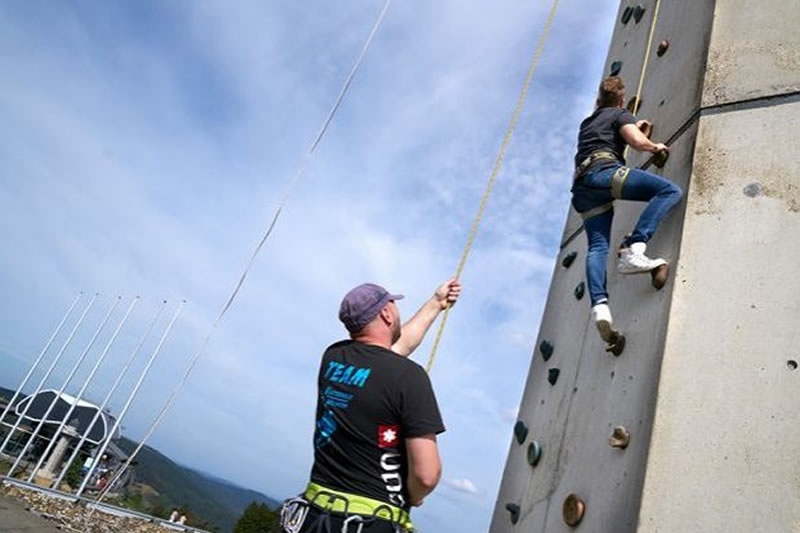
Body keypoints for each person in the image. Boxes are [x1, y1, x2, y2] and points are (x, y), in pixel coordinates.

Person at [281, 279, 462, 533]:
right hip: (367, 524)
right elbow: (426, 475)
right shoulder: (409, 376)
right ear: (387, 313)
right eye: (393, 305)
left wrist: (436, 303)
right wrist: (415, 493)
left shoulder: (333, 357)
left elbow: (390, 354)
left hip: (312, 517)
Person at [571, 76, 683, 343]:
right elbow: (634, 141)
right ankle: (634, 248)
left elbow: (611, 136)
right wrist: (652, 145)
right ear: (621, 100)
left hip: (583, 188)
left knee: (597, 247)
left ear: (598, 101)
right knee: (669, 191)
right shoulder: (621, 113)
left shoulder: (587, 123)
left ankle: (600, 306)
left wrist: (634, 128)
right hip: (604, 173)